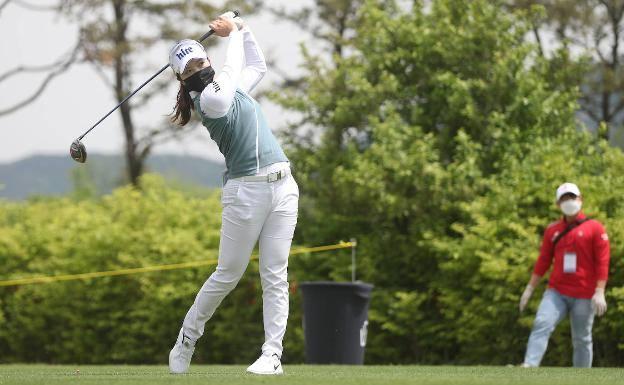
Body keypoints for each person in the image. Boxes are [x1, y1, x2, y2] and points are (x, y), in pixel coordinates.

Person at [166, 13, 299, 375]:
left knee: (275, 274)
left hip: (284, 186)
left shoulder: (230, 85)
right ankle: (188, 337)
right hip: (246, 193)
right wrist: (234, 33)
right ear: (183, 77)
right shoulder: (208, 101)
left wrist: (246, 30)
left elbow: (256, 64)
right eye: (189, 66)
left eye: (199, 60)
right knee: (228, 273)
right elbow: (231, 69)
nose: (197, 66)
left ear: (206, 60)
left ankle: (272, 355)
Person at [519, 182, 610, 367]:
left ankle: (582, 378)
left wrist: (600, 290)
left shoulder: (595, 228)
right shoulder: (553, 230)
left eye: (572, 197)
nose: (569, 201)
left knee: (582, 338)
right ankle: (529, 366)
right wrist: (530, 288)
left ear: (580, 199)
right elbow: (543, 261)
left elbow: (603, 260)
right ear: (558, 204)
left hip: (585, 294)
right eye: (564, 198)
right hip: (557, 291)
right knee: (541, 323)